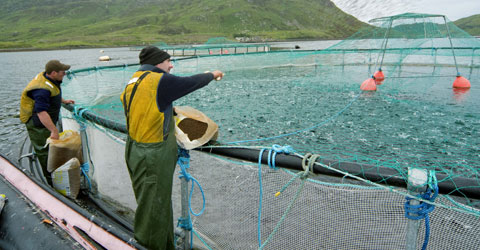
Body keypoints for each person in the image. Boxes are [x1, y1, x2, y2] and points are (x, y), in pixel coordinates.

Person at [120, 46, 223, 250]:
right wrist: (212, 74)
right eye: (168, 61)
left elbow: (144, 109)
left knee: (154, 201)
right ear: (158, 62)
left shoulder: (134, 80)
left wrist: (168, 110)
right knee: (154, 208)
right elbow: (189, 83)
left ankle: (165, 245)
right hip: (153, 154)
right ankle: (149, 246)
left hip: (134, 149)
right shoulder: (159, 80)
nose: (171, 65)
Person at [20, 60, 74, 186]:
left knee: (51, 148)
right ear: (54, 73)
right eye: (62, 72)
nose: (64, 74)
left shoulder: (49, 78)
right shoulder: (41, 90)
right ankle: (52, 181)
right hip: (37, 123)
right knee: (44, 150)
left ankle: (55, 173)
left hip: (45, 119)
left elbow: (53, 91)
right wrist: (54, 130)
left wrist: (64, 101)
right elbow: (41, 112)